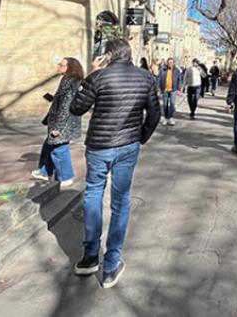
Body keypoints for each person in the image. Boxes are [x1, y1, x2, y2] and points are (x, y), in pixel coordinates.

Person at [70, 39, 161, 288]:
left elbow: (77, 108)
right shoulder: (145, 78)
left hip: (99, 145)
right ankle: (110, 265)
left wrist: (91, 73)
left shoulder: (98, 77)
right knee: (121, 201)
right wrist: (141, 136)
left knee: (93, 194)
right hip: (127, 146)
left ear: (108, 55)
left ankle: (90, 256)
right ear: (129, 54)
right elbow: (155, 113)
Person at [31, 57, 83, 186]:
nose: (58, 66)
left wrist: (58, 128)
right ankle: (44, 171)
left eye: (62, 64)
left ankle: (66, 177)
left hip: (63, 122)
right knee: (49, 145)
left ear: (70, 67)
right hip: (63, 121)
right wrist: (52, 98)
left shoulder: (70, 81)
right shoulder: (68, 80)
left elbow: (66, 106)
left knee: (59, 149)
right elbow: (62, 100)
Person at [157, 57, 182, 125]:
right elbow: (159, 79)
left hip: (173, 90)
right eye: (169, 63)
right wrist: (158, 88)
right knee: (165, 104)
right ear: (167, 63)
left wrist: (179, 89)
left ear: (173, 63)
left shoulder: (176, 70)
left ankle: (170, 117)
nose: (170, 64)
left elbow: (179, 80)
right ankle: (165, 117)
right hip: (165, 90)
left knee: (172, 104)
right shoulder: (162, 70)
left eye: (171, 62)